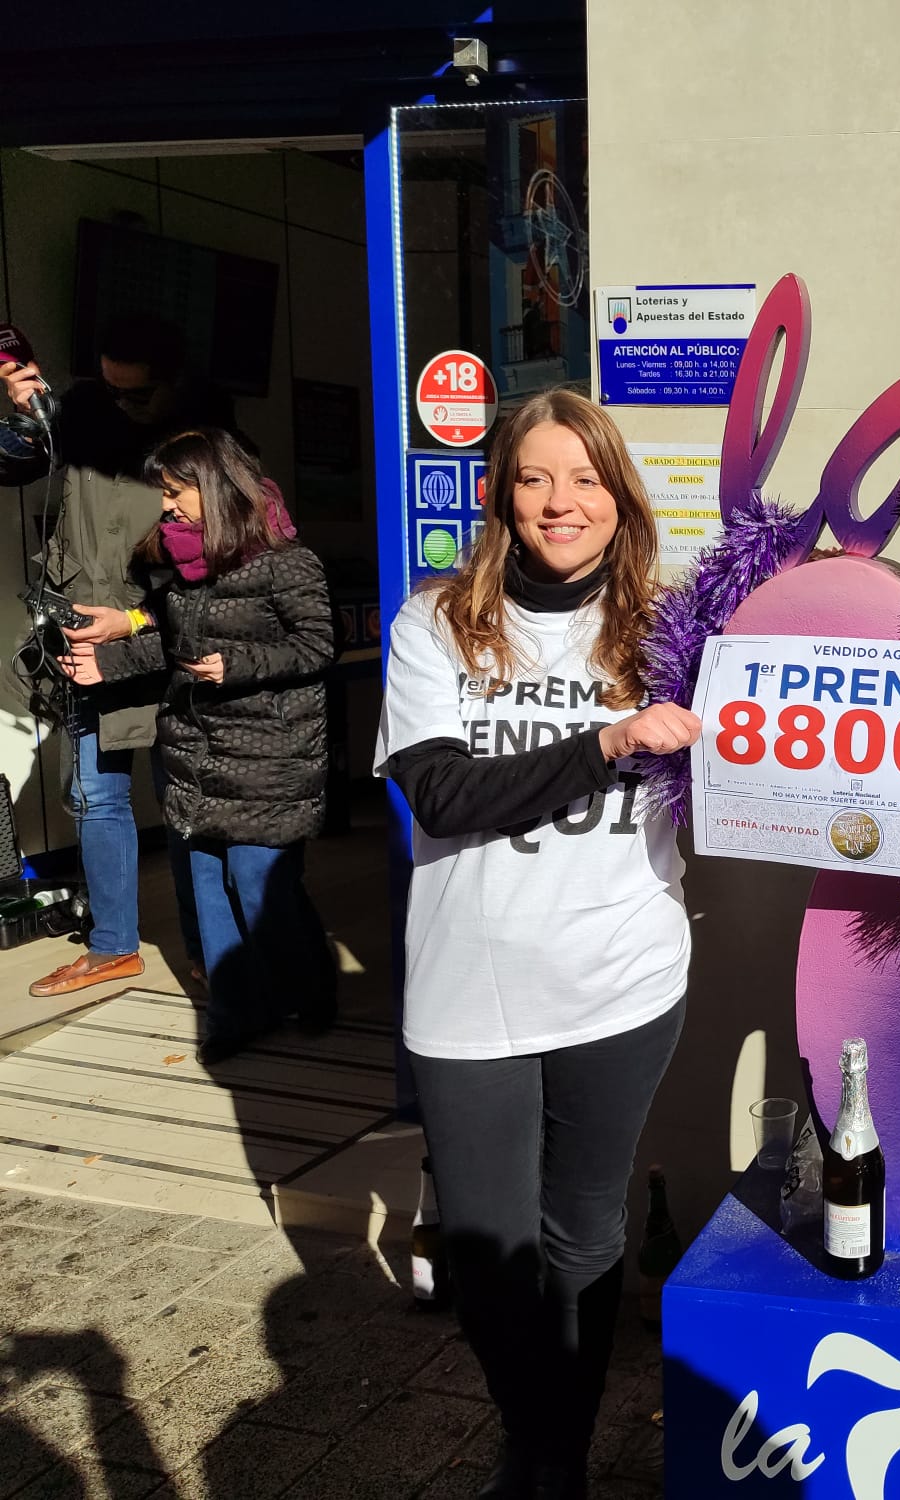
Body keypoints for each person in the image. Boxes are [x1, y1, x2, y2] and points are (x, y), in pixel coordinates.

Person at [374, 388, 700, 1500]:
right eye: (535, 478)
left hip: (622, 977)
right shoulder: (434, 624)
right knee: (486, 1246)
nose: (562, 502)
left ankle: (551, 1458)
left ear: (621, 497)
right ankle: (539, 1434)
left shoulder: (669, 630)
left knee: (583, 1232)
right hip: (469, 986)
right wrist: (606, 742)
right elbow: (443, 795)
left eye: (586, 479)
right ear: (500, 494)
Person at [65, 428, 337, 1062]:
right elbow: (172, 644)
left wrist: (237, 665)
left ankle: (309, 987)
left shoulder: (288, 561)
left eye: (175, 492)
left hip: (269, 753)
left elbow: (318, 644)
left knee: (259, 880)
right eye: (162, 493)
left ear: (215, 485)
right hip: (197, 752)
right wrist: (106, 664)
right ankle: (236, 1014)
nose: (166, 507)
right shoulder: (188, 566)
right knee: (208, 882)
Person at [1, 312, 223, 997]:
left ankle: (216, 958)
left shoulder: (207, 443)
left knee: (186, 804)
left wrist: (133, 621)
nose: (121, 403)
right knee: (95, 798)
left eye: (138, 393)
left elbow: (222, 575)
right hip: (85, 640)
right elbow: (13, 465)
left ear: (174, 382)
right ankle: (112, 946)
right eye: (110, 388)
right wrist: (24, 415)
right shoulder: (82, 412)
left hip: (165, 642)